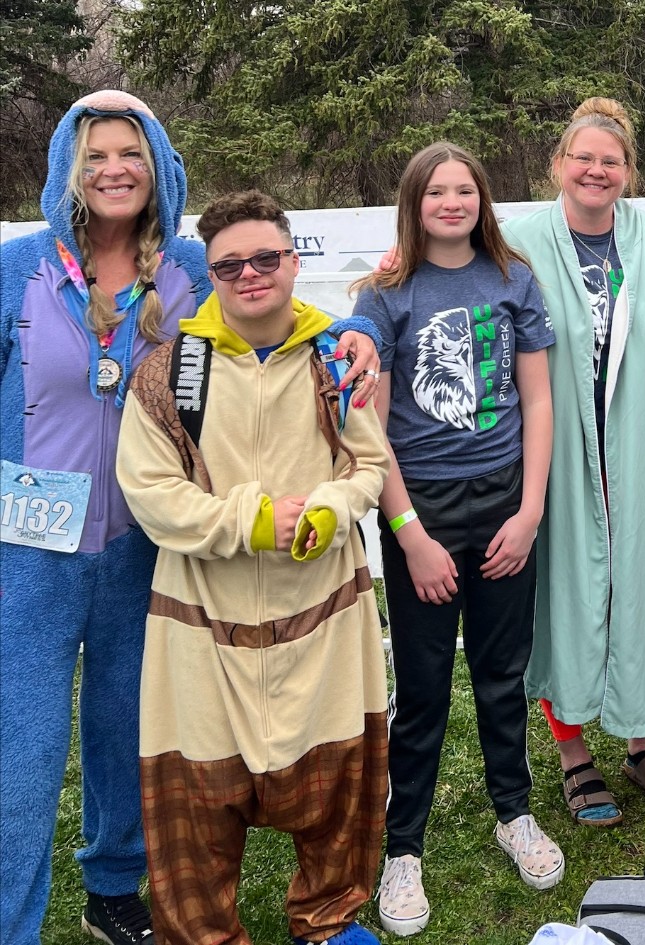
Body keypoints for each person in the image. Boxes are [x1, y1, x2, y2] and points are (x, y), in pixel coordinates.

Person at [0, 90, 379, 945]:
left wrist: (359, 330)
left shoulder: (187, 265)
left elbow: (282, 306)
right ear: (68, 166)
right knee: (19, 758)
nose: (112, 170)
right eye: (93, 154)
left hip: (143, 547)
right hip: (27, 549)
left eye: (130, 152)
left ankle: (114, 889)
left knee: (128, 731)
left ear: (160, 166)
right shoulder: (18, 267)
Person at [115, 190, 390, 945]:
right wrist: (257, 520)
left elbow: (368, 462)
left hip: (322, 607)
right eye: (230, 264)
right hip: (200, 618)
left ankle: (330, 919)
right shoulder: (170, 372)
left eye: (266, 257)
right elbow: (151, 494)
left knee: (339, 782)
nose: (250, 274)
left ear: (295, 262)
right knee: (195, 798)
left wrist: (332, 509)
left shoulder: (337, 354)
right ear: (212, 275)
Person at [351, 142, 561, 936]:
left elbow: (536, 400)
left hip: (505, 503)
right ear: (414, 201)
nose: (451, 202)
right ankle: (403, 846)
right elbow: (371, 430)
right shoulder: (384, 292)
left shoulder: (513, 278)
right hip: (423, 511)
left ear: (483, 198)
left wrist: (530, 510)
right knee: (426, 687)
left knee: (502, 674)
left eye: (463, 189)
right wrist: (409, 536)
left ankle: (515, 811)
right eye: (435, 191)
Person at [504, 97, 645, 826]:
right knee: (566, 597)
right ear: (558, 165)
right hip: (553, 454)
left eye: (610, 161)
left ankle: (642, 739)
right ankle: (573, 752)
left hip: (642, 451)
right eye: (582, 158)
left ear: (629, 173)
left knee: (641, 593)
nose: (596, 170)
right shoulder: (518, 245)